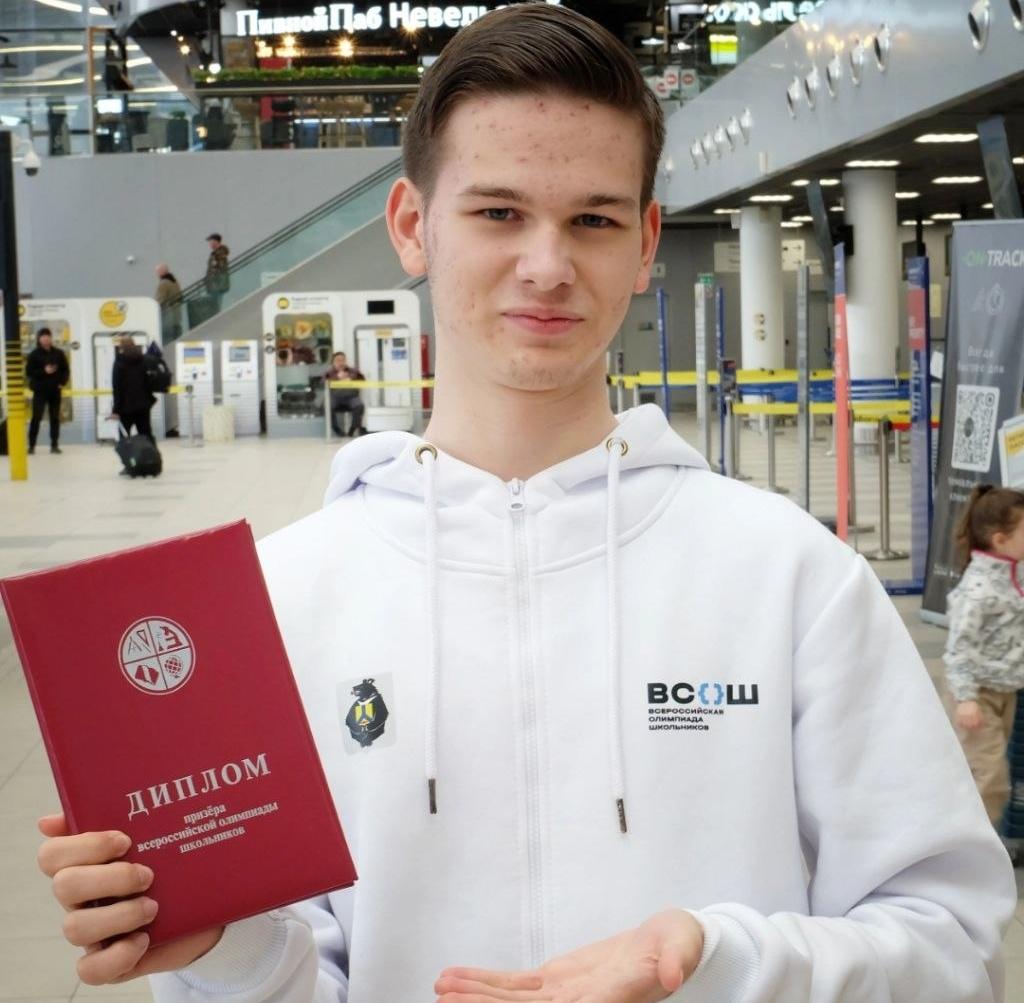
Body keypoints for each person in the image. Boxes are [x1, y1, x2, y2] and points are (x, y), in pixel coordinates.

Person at [35, 6, 1016, 1002]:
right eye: (499, 213)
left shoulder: (791, 578)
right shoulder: (276, 601)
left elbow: (950, 943)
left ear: (644, 242)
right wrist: (224, 950)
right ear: (412, 226)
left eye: (592, 220)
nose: (547, 266)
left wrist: (718, 962)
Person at [944, 484, 1024, 827]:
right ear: (1000, 540)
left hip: (1006, 690)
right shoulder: (978, 589)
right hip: (979, 695)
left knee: (985, 768)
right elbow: (958, 648)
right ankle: (974, 841)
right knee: (989, 779)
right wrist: (966, 698)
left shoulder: (1014, 570)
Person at [25, 326, 69, 455]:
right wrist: (44, 371)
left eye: (48, 336)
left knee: (55, 418)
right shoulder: (34, 354)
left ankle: (54, 445)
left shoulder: (58, 353)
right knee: (36, 418)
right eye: (43, 337)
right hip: (40, 391)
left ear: (51, 338)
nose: (46, 339)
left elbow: (65, 369)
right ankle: (31, 446)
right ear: (39, 339)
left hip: (55, 390)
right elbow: (29, 372)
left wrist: (62, 382)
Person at [111, 337, 156, 442]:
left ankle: (127, 453)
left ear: (121, 347)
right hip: (143, 405)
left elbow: (117, 387)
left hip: (125, 407)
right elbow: (148, 382)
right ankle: (148, 452)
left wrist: (116, 410)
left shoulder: (119, 362)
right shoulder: (143, 360)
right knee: (146, 434)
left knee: (124, 436)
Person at [326, 350, 366, 437]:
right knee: (327, 406)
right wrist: (337, 377)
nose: (341, 363)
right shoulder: (329, 373)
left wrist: (351, 379)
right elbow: (323, 382)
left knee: (359, 405)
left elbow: (363, 380)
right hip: (335, 398)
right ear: (333, 362)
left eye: (343, 360)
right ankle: (336, 429)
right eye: (338, 360)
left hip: (351, 397)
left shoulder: (353, 371)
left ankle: (352, 429)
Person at [155, 263, 183, 343]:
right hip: (177, 315)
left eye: (157, 272)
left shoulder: (163, 284)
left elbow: (160, 301)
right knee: (177, 337)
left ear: (160, 273)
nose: (156, 274)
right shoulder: (174, 281)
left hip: (168, 317)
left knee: (168, 341)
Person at [204, 233, 230, 311]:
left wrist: (213, 281)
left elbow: (219, 269)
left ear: (216, 242)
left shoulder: (219, 254)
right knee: (215, 306)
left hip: (217, 286)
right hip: (215, 285)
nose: (209, 243)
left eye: (211, 241)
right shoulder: (216, 253)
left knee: (216, 307)